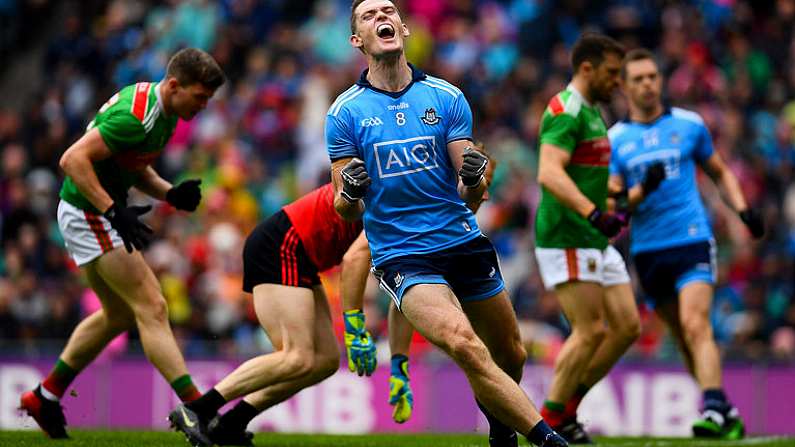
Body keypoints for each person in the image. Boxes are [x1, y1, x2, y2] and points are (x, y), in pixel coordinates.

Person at [328, 2, 567, 446]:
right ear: (357, 40)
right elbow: (345, 210)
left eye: (389, 10)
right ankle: (550, 441)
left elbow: (472, 194)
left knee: (510, 355)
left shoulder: (447, 96)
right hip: (402, 254)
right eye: (368, 14)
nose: (382, 15)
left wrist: (476, 179)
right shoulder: (345, 113)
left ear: (402, 26)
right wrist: (351, 192)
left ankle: (500, 430)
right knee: (463, 341)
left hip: (460, 239)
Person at [19, 48, 225, 439]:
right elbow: (72, 160)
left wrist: (169, 193)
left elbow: (131, 162)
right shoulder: (137, 117)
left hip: (89, 211)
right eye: (200, 97)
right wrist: (113, 210)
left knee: (118, 313)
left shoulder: (161, 111)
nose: (203, 105)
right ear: (175, 85)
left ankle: (45, 396)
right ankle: (198, 408)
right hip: (88, 213)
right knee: (152, 305)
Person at [608, 48, 765, 440]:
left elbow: (719, 172)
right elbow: (615, 204)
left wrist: (743, 210)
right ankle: (724, 409)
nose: (647, 84)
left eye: (652, 76)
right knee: (682, 338)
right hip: (647, 251)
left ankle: (711, 407)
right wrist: (644, 188)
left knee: (698, 325)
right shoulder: (616, 140)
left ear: (660, 81)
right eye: (638, 79)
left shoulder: (689, 125)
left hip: (691, 238)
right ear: (624, 87)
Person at [168, 183, 368, 447]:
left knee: (324, 361)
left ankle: (231, 423)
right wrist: (355, 325)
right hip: (283, 244)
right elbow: (355, 259)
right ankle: (198, 409)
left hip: (301, 255)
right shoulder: (403, 197)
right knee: (296, 356)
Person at [534, 33, 649, 444]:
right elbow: (549, 172)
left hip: (593, 235)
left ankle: (565, 410)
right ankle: (548, 420)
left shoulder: (594, 112)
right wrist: (593, 213)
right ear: (587, 68)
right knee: (589, 331)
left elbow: (589, 177)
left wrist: (623, 196)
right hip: (567, 235)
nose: (617, 82)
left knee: (626, 327)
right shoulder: (566, 111)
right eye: (612, 73)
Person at [340, 144, 497, 425]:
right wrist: (354, 327)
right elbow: (354, 258)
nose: (483, 195)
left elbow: (403, 299)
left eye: (486, 187)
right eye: (481, 185)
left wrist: (399, 366)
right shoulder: (418, 207)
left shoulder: (442, 208)